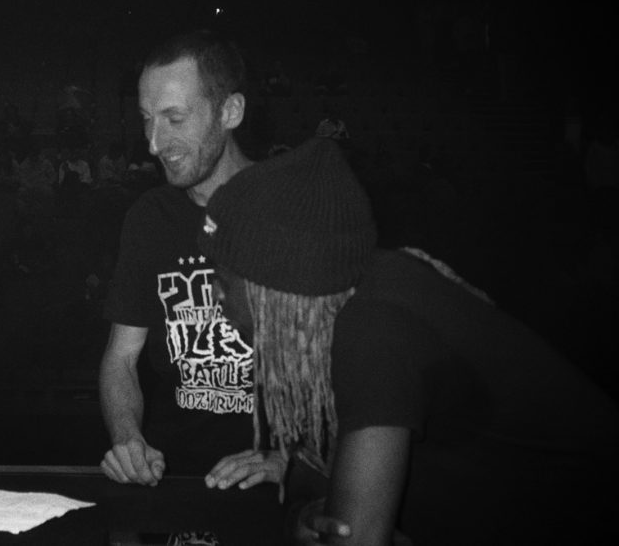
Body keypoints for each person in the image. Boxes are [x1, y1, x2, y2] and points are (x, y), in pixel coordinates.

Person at [198, 136, 619, 545]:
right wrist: (302, 491)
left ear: (273, 290)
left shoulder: (372, 330)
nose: (214, 296)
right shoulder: (364, 287)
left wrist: (305, 521)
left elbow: (353, 538)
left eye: (222, 280)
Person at [98, 29, 277, 491]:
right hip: (172, 475)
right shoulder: (149, 217)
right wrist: (128, 438)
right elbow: (121, 358)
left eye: (174, 118)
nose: (154, 143)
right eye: (146, 119)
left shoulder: (291, 210)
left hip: (273, 484)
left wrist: (291, 459)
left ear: (230, 111)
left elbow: (349, 372)